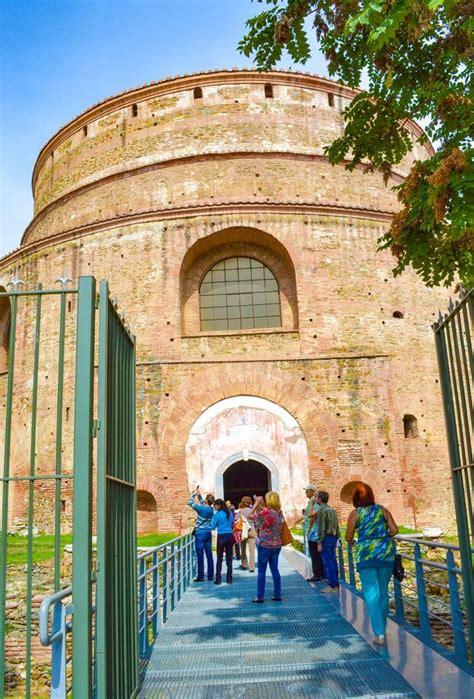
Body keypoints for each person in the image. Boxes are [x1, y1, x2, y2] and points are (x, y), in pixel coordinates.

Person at [345, 482, 399, 646]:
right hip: (385, 553)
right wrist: (382, 537)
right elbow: (395, 530)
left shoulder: (355, 514)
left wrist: (356, 542)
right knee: (383, 591)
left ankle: (379, 633)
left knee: (371, 593)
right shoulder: (382, 510)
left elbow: (348, 536)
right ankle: (381, 629)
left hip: (366, 554)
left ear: (355, 499)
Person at [250, 491, 284, 603]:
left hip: (265, 545)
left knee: (261, 571)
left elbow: (250, 516)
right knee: (275, 570)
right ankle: (277, 595)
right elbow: (262, 520)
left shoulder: (266, 513)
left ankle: (260, 597)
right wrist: (261, 506)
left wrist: (256, 504)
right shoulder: (279, 513)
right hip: (277, 545)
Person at [187, 487, 215, 582]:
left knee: (200, 555)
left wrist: (194, 494)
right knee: (209, 555)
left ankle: (201, 576)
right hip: (208, 533)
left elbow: (190, 502)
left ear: (207, 500)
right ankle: (210, 575)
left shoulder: (201, 509)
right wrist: (199, 495)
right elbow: (203, 503)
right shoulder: (211, 509)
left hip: (200, 534)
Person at [298, 484, 323, 582]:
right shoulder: (310, 502)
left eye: (307, 491)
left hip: (313, 532)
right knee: (315, 554)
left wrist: (309, 531)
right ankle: (319, 573)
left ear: (312, 491)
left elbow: (313, 516)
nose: (305, 492)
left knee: (315, 554)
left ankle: (318, 574)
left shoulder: (314, 502)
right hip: (312, 531)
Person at [316, 491, 340, 592]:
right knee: (333, 560)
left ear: (320, 499)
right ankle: (336, 584)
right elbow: (337, 525)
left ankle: (332, 585)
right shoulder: (332, 509)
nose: (315, 499)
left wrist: (319, 542)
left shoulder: (322, 510)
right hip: (334, 537)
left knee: (327, 562)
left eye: (316, 497)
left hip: (326, 537)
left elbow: (321, 528)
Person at [210, 499, 234, 585]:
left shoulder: (217, 515)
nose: (214, 507)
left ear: (218, 506)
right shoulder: (229, 513)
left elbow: (212, 527)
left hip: (221, 536)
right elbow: (232, 524)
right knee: (229, 558)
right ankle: (229, 578)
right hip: (230, 535)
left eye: (215, 505)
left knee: (219, 558)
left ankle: (218, 579)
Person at [239, 496, 256, 573]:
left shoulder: (241, 511)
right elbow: (256, 520)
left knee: (243, 548)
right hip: (252, 529)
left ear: (243, 503)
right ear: (250, 503)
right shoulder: (253, 511)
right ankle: (252, 566)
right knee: (252, 550)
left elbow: (236, 520)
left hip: (244, 530)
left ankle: (244, 564)